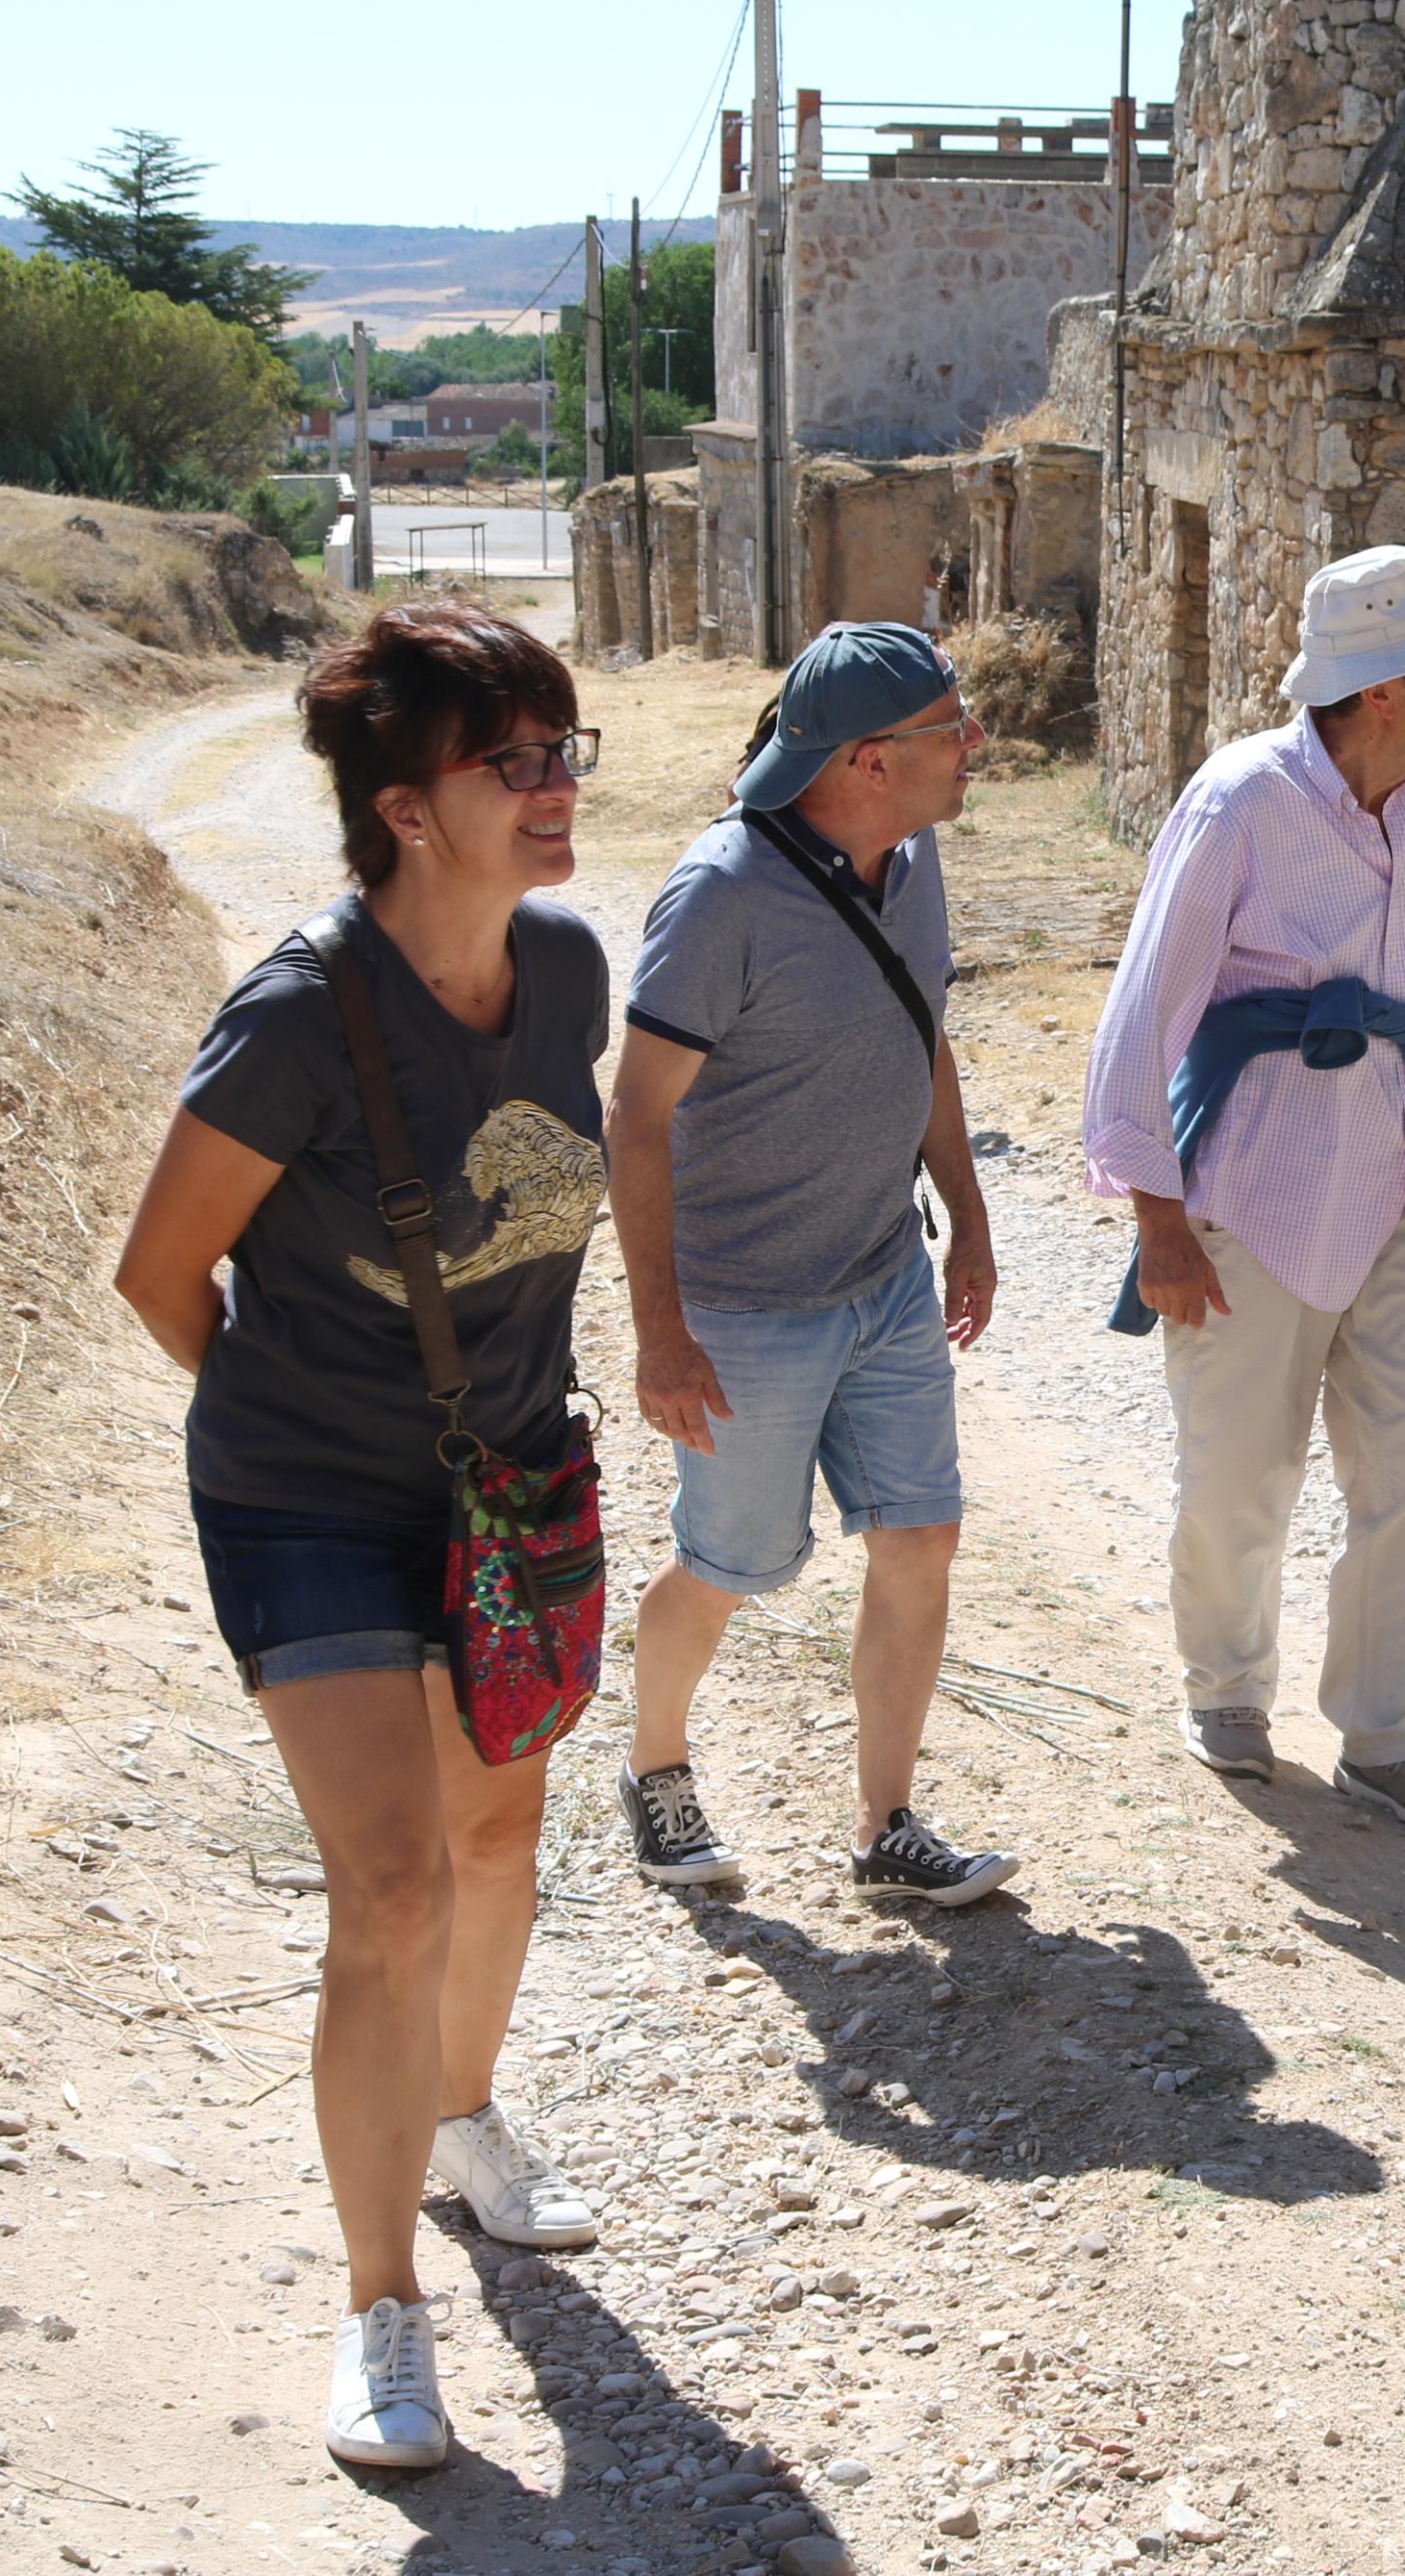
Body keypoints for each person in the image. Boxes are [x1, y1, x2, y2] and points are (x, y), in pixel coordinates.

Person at [112, 598, 613, 2468]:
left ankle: (462, 2121)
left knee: (497, 1841)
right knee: (390, 1886)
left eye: (567, 750)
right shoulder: (297, 1020)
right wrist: (301, 1414)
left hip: (506, 1484)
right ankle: (378, 2302)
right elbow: (163, 1275)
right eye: (520, 760)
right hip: (302, 1496)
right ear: (409, 810)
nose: (559, 786)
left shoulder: (565, 974)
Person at [1083, 545, 1405, 1838]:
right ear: (1377, 688)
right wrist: (1156, 1213)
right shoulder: (1237, 802)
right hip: (1254, 1184)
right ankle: (1224, 1686)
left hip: (1403, 1169)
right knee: (1238, 1463)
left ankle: (1388, 1734)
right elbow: (1144, 1006)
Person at [604, 620, 1019, 1906]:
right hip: (745, 1307)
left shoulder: (911, 854)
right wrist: (661, 1333)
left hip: (882, 1271)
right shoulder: (721, 894)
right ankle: (653, 1766)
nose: (976, 747)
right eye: (952, 729)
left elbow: (924, 1035)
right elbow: (635, 1115)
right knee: (730, 1564)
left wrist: (966, 1210)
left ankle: (885, 1819)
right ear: (865, 759)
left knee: (920, 1536)